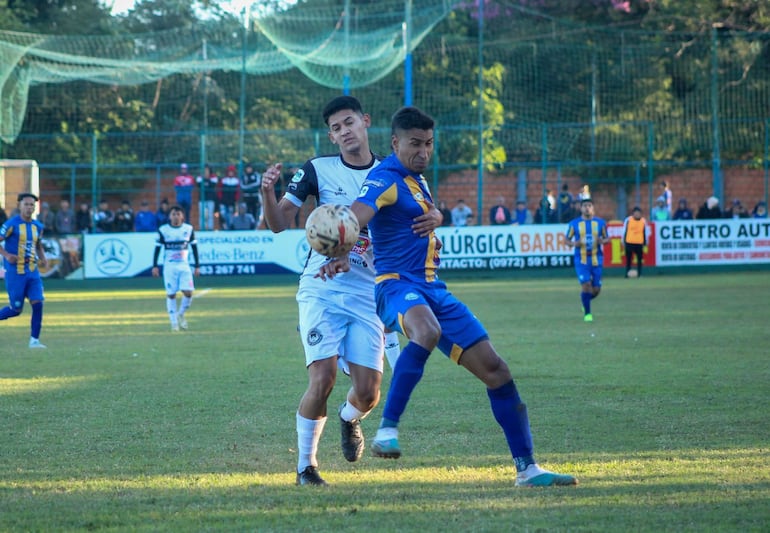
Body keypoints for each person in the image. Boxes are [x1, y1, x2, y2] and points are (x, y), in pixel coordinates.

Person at [324, 105, 577, 488]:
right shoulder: (385, 177)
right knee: (426, 331)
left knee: (497, 371)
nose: (423, 151)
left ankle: (527, 469)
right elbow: (358, 215)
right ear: (395, 143)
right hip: (395, 286)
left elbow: (418, 214)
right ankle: (387, 431)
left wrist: (437, 216)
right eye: (414, 144)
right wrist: (339, 251)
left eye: (428, 143)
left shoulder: (415, 179)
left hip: (433, 288)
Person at [259, 96, 437, 487]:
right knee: (321, 378)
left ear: (365, 122)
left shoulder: (396, 171)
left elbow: (426, 216)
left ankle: (348, 418)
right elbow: (277, 224)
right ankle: (307, 467)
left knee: (368, 394)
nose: (344, 132)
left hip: (369, 294)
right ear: (331, 136)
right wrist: (267, 194)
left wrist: (436, 215)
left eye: (349, 123)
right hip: (321, 287)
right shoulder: (317, 170)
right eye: (336, 128)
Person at [0, 193, 48, 348]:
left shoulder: (38, 226)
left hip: (32, 271)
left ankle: (34, 340)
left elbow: (38, 244)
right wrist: (7, 255)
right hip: (15, 272)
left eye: (32, 205)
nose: (29, 207)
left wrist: (43, 258)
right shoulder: (11, 224)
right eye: (26, 204)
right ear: (19, 205)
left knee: (38, 303)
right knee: (16, 309)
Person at [152, 205, 200, 332]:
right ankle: (174, 323)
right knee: (171, 294)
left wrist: (197, 266)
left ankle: (181, 313)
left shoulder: (188, 229)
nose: (176, 216)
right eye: (173, 214)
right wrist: (155, 266)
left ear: (182, 216)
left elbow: (194, 248)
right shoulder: (164, 230)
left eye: (178, 214)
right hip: (170, 266)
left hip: (184, 265)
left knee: (188, 292)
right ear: (169, 216)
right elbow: (157, 248)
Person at [565, 191, 609, 322]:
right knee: (586, 286)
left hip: (597, 259)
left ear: (593, 208)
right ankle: (588, 314)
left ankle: (585, 303)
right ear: (581, 208)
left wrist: (602, 241)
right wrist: (575, 243)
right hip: (581, 259)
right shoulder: (574, 224)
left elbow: (607, 238)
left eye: (589, 205)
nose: (587, 208)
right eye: (585, 206)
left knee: (596, 290)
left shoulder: (600, 223)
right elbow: (566, 240)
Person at [622, 206, 647, 278]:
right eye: (635, 213)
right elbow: (624, 231)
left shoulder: (643, 221)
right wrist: (623, 241)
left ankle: (640, 274)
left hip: (639, 243)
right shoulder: (628, 220)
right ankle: (627, 274)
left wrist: (645, 242)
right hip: (629, 242)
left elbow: (645, 232)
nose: (637, 214)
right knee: (628, 259)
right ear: (633, 213)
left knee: (639, 259)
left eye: (638, 213)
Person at [218, 165, 240, 230]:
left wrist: (236, 199)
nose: (230, 173)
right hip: (223, 201)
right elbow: (219, 190)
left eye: (232, 171)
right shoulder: (223, 180)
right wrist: (220, 198)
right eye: (229, 171)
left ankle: (230, 227)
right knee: (223, 214)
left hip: (232, 202)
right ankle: (224, 227)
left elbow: (238, 192)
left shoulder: (236, 180)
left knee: (230, 215)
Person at [197, 165, 218, 230]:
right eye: (204, 170)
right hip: (201, 199)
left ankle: (210, 228)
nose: (206, 171)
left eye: (207, 170)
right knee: (201, 215)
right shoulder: (199, 177)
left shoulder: (213, 177)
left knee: (210, 215)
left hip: (211, 199)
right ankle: (201, 228)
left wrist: (206, 180)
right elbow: (199, 185)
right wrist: (206, 181)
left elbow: (212, 185)